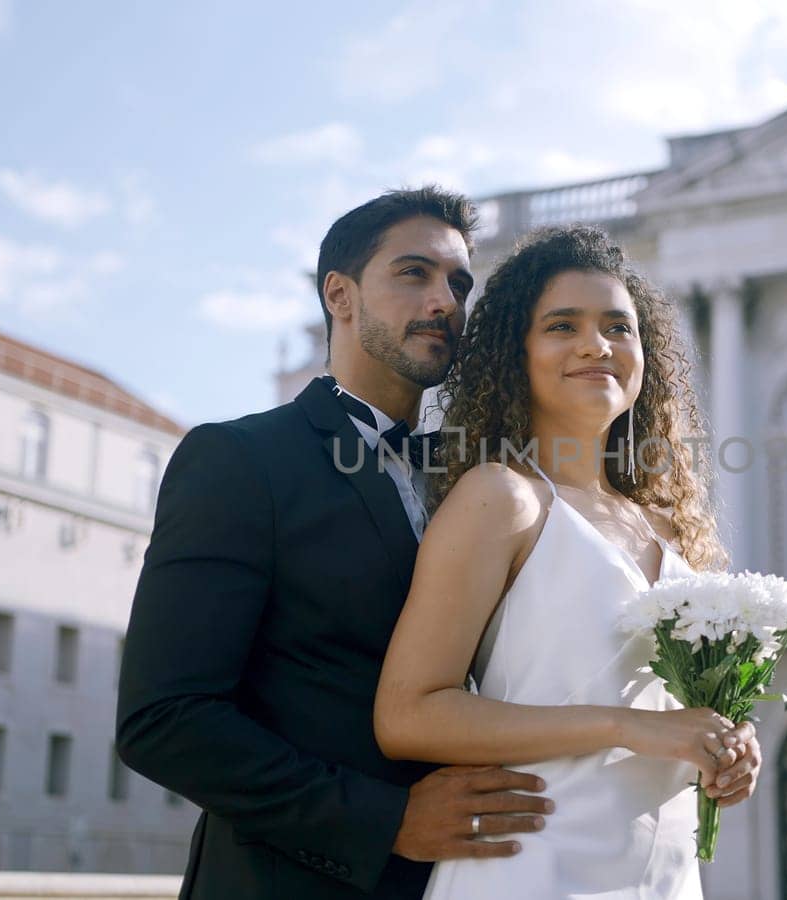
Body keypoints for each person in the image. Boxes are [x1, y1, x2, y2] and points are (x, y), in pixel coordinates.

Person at [116, 188, 563, 899]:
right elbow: (164, 720)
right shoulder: (240, 459)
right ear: (340, 295)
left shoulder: (479, 479)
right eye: (413, 273)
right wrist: (387, 822)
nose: (444, 300)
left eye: (458, 282)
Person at [373, 224, 762, 900]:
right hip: (529, 869)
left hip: (664, 878)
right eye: (563, 326)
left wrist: (725, 746)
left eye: (619, 327)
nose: (597, 345)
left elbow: (667, 715)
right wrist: (626, 727)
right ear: (516, 355)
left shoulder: (671, 528)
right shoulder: (502, 498)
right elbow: (407, 715)